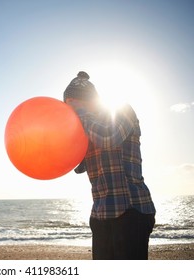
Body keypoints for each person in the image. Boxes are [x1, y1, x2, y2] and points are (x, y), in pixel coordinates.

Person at [63, 71, 156, 260]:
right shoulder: (84, 127)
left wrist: (81, 115)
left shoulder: (122, 110)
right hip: (100, 214)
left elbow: (108, 137)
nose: (70, 109)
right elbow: (78, 166)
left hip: (131, 211)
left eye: (72, 103)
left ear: (87, 101)